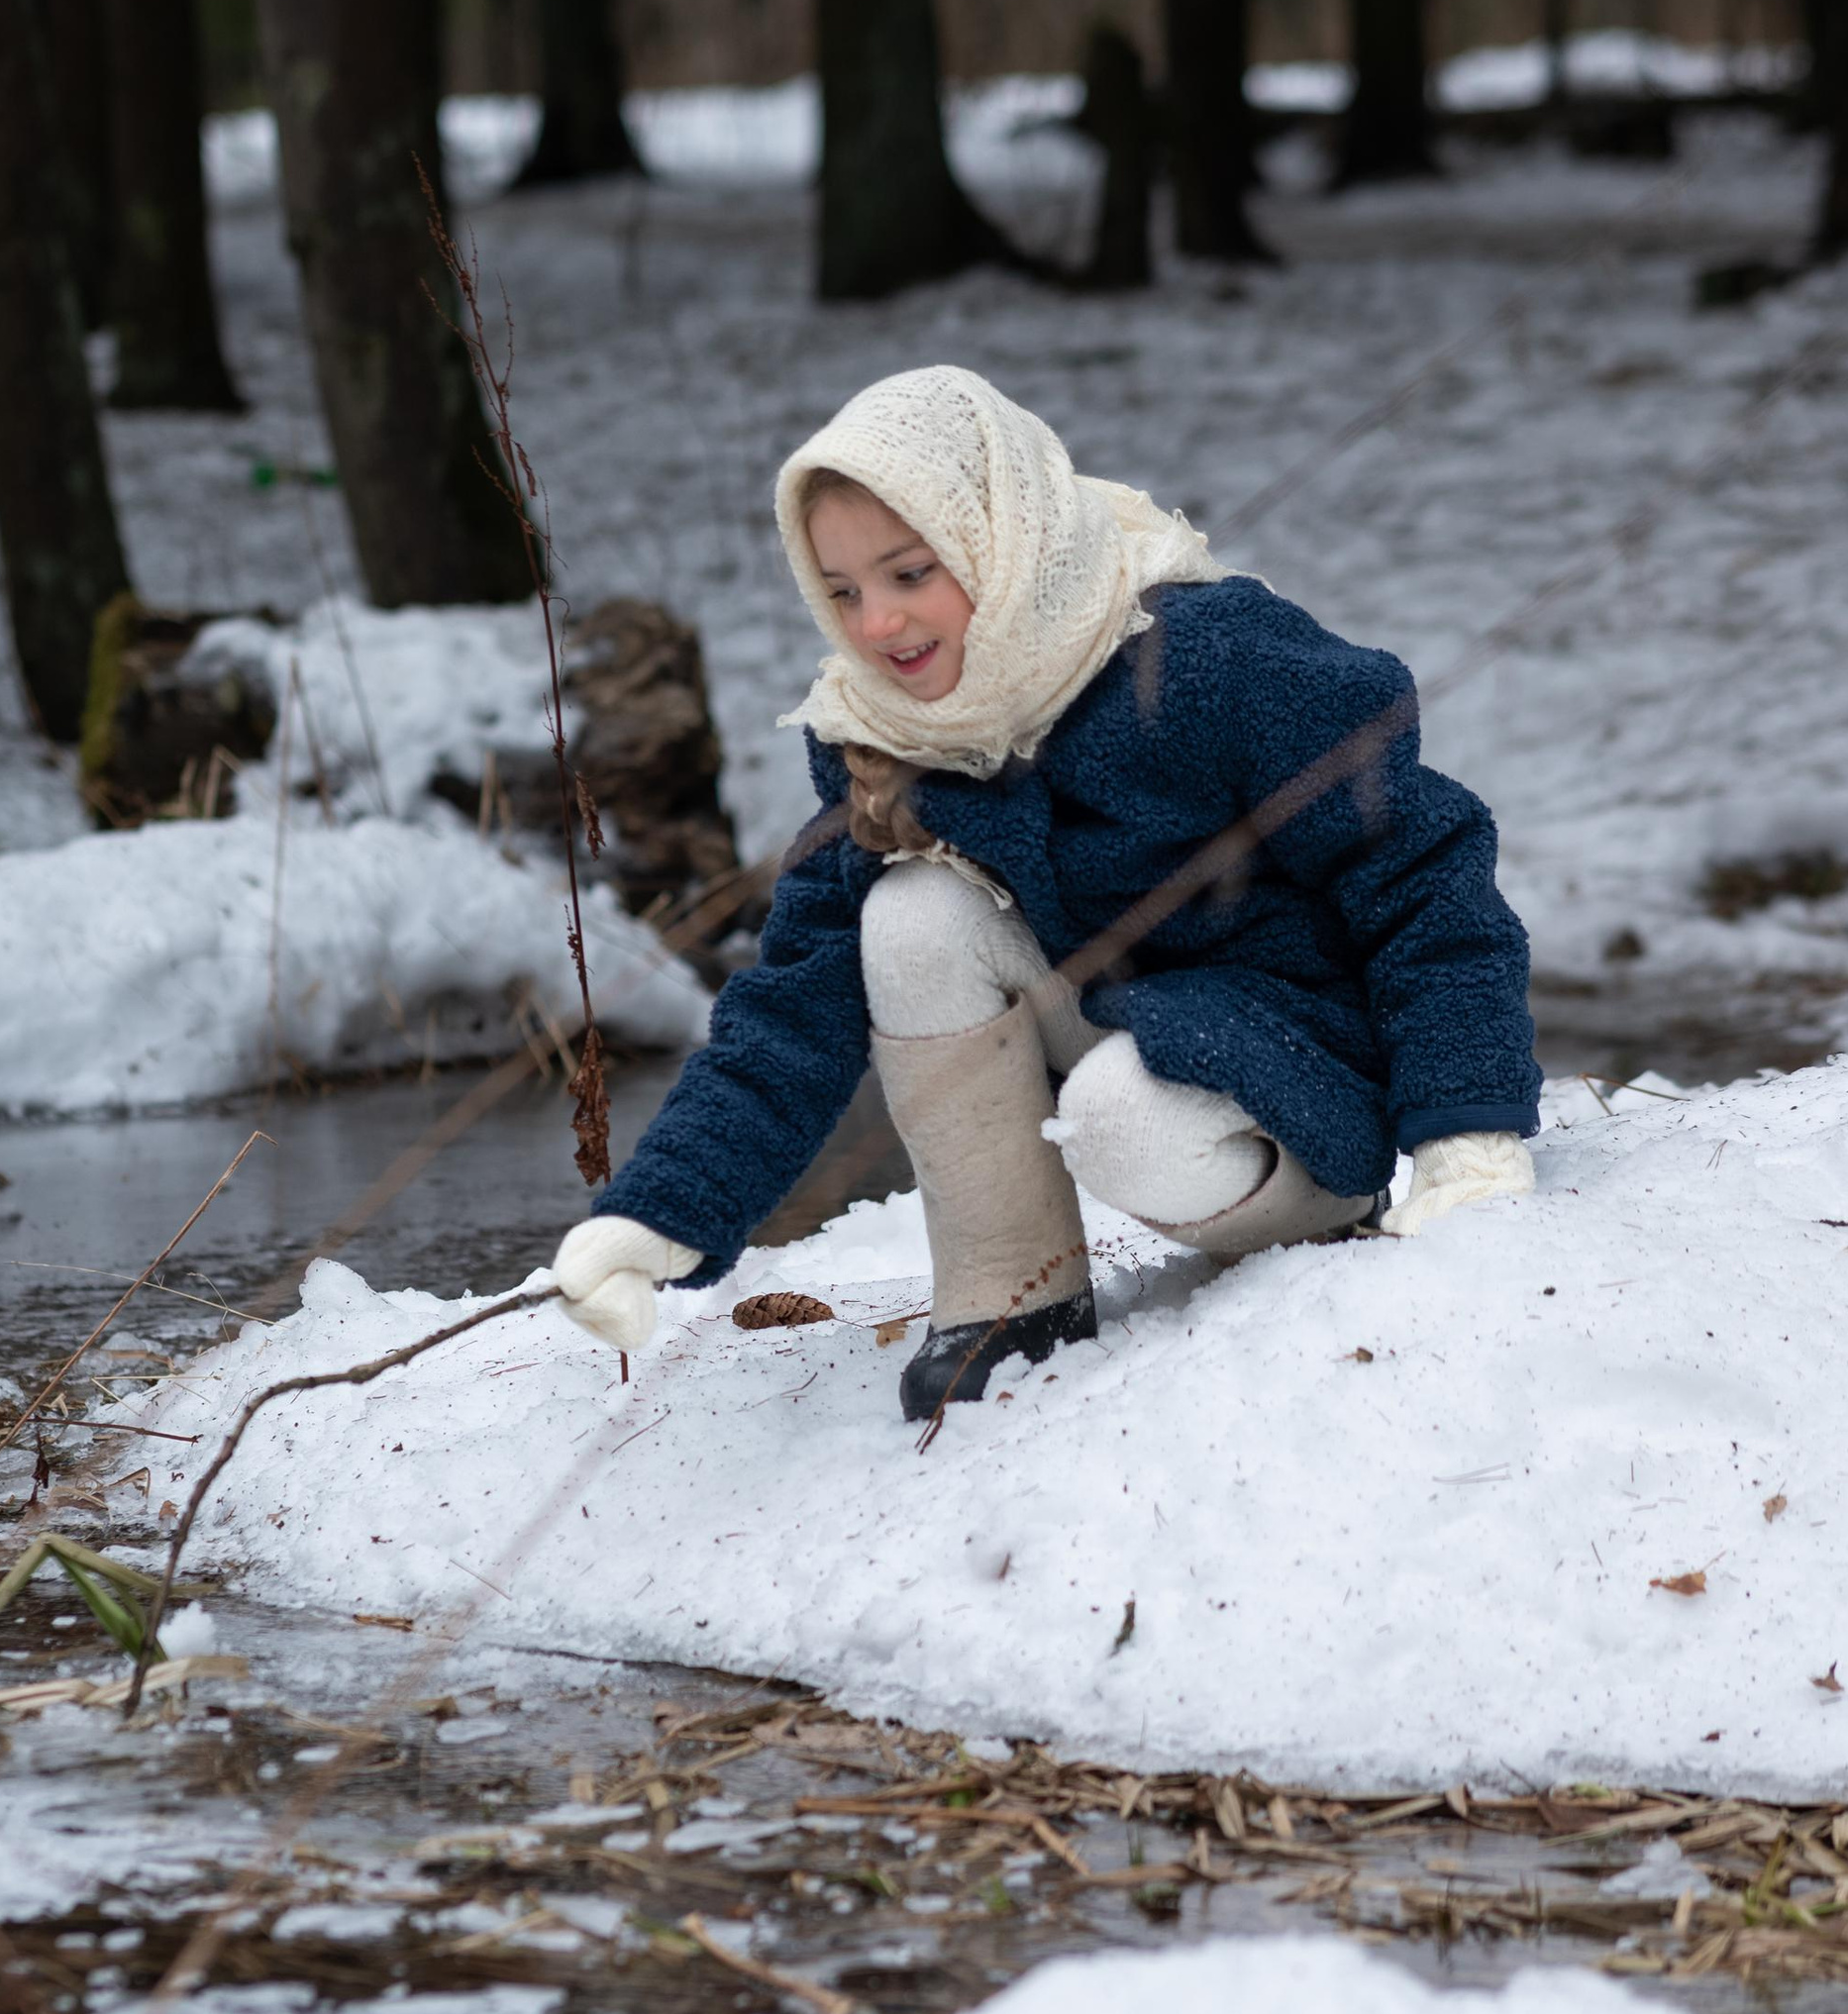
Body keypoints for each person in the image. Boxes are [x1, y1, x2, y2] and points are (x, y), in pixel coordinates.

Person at [549, 365, 1541, 1421]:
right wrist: (663, 1216)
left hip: (1296, 1065)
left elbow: (1420, 873)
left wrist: (1464, 1130)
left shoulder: (1208, 662)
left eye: (910, 572)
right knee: (910, 914)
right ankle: (1014, 1301)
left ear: (997, 532)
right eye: (842, 591)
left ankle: (1317, 1221)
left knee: (1122, 1112)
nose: (878, 623)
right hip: (1117, 1028)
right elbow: (792, 1007)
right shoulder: (886, 740)